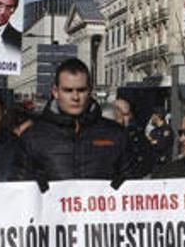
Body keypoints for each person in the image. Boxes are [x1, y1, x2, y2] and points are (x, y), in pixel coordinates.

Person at [12, 58, 151, 187]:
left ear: (90, 90)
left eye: (81, 90)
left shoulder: (116, 134)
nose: (75, 97)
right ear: (55, 91)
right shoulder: (32, 138)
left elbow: (131, 186)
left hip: (101, 212)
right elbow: (21, 190)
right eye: (68, 90)